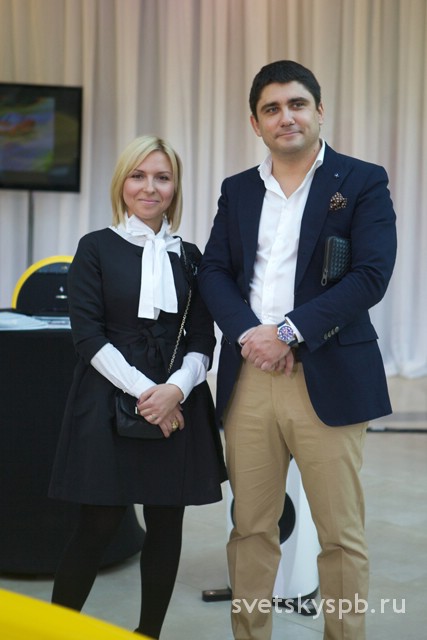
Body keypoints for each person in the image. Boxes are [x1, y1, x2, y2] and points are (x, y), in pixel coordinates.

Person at [198, 60, 397, 640]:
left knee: (340, 535)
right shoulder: (237, 189)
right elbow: (214, 271)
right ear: (256, 123)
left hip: (329, 373)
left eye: (296, 104)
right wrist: (251, 336)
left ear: (319, 111)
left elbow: (370, 275)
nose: (286, 117)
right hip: (250, 378)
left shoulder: (361, 181)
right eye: (272, 108)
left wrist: (285, 332)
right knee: (251, 528)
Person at [49, 134, 227, 639]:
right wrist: (150, 395)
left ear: (175, 187)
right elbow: (88, 337)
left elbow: (202, 340)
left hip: (178, 402)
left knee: (167, 525)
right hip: (109, 398)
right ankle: (56, 631)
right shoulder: (95, 247)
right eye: (139, 176)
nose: (150, 187)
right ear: (121, 184)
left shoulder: (191, 256)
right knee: (96, 526)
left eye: (162, 178)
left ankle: (148, 633)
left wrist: (176, 391)